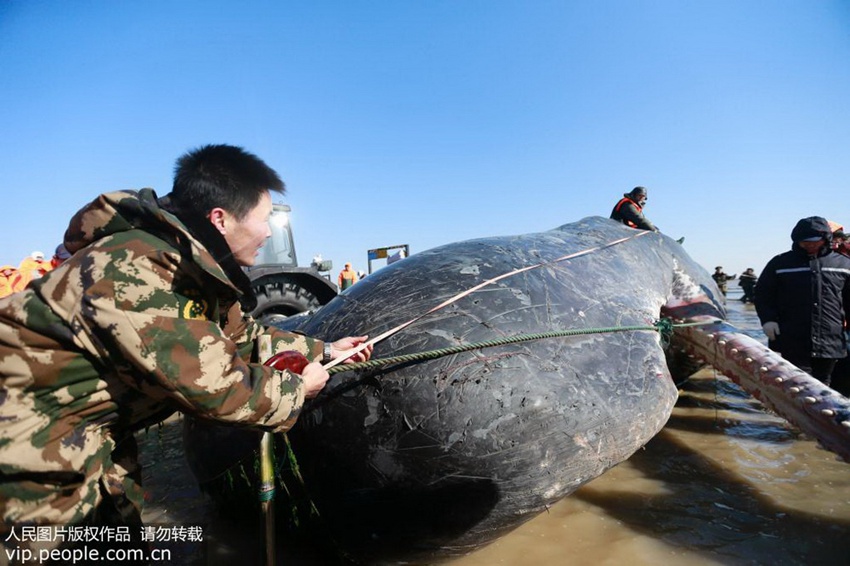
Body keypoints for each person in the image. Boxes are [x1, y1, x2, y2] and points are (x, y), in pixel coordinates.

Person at [0, 144, 373, 556]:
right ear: (220, 219)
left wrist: (323, 349)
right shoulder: (137, 268)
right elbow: (215, 387)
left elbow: (241, 336)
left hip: (88, 433)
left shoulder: (194, 268)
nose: (267, 232)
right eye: (263, 220)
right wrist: (297, 389)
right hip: (24, 438)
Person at [754, 216, 850, 385]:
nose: (810, 245)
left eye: (815, 241)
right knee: (797, 383)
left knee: (824, 384)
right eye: (805, 241)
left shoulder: (844, 264)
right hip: (793, 337)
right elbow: (763, 293)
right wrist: (768, 319)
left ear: (826, 238)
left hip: (831, 338)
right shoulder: (780, 263)